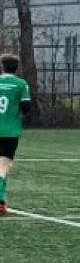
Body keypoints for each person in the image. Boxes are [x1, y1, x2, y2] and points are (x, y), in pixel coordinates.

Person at [0, 53, 34, 215]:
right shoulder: (21, 84)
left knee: (1, 167)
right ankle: (0, 200)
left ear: (2, 66)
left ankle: (1, 201)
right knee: (4, 166)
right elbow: (26, 108)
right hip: (10, 131)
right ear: (17, 67)